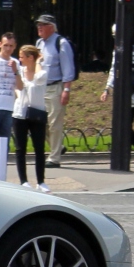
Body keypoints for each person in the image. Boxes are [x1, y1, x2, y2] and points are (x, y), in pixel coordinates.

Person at [101, 25, 134, 163]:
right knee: (122, 125)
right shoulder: (117, 50)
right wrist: (107, 89)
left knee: (122, 125)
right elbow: (113, 69)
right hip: (123, 93)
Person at [34, 14, 76, 168]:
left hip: (55, 88)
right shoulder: (39, 43)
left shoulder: (61, 43)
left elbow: (68, 69)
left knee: (54, 124)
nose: (39, 27)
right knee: (38, 122)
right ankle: (58, 146)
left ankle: (54, 158)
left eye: (43, 25)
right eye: (38, 24)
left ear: (51, 27)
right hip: (40, 88)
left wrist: (66, 90)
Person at [11, 45, 51, 193]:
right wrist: (17, 74)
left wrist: (39, 62)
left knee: (39, 148)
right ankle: (24, 181)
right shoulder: (19, 71)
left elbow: (37, 79)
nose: (19, 59)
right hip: (20, 113)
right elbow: (18, 87)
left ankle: (41, 181)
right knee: (20, 148)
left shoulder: (42, 73)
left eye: (22, 56)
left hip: (37, 112)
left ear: (31, 58)